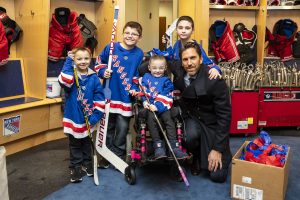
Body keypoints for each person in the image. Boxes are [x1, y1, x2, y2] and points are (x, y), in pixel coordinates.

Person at [173, 42, 232, 183]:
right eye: (185, 60)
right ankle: (196, 156)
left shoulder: (214, 80)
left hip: (212, 125)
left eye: (193, 58)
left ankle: (217, 151)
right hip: (193, 119)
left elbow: (224, 117)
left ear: (201, 59)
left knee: (218, 177)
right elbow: (147, 66)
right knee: (190, 135)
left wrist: (217, 149)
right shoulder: (180, 74)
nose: (189, 63)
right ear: (181, 62)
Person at [95, 21, 144, 165]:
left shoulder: (139, 53)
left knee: (122, 128)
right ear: (122, 33)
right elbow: (98, 62)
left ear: (139, 38)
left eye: (134, 34)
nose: (130, 36)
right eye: (127, 33)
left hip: (125, 98)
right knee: (108, 126)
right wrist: (104, 71)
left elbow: (136, 74)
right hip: (110, 95)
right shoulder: (111, 47)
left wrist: (135, 88)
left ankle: (117, 155)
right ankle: (106, 154)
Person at [58, 47, 105, 183]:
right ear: (74, 60)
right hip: (73, 116)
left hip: (88, 117)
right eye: (79, 59)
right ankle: (76, 166)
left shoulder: (94, 77)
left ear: (90, 59)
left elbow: (99, 98)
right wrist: (68, 61)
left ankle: (87, 163)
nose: (83, 61)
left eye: (86, 58)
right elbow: (65, 80)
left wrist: (96, 116)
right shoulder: (71, 74)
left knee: (86, 142)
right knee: (75, 144)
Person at [136, 55, 188, 160]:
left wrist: (158, 106)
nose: (157, 71)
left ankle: (174, 146)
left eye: (161, 68)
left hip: (163, 107)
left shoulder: (166, 81)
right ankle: (158, 146)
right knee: (151, 118)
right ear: (149, 68)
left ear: (165, 68)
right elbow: (143, 92)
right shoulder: (145, 78)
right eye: (154, 68)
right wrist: (145, 101)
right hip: (150, 108)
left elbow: (167, 96)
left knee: (169, 118)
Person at [162, 15, 221, 80]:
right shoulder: (177, 44)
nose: (183, 31)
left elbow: (209, 63)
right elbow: (172, 59)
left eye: (187, 28)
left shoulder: (196, 47)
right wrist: (168, 45)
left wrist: (215, 69)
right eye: (180, 28)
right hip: (179, 83)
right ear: (176, 30)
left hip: (194, 83)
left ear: (192, 30)